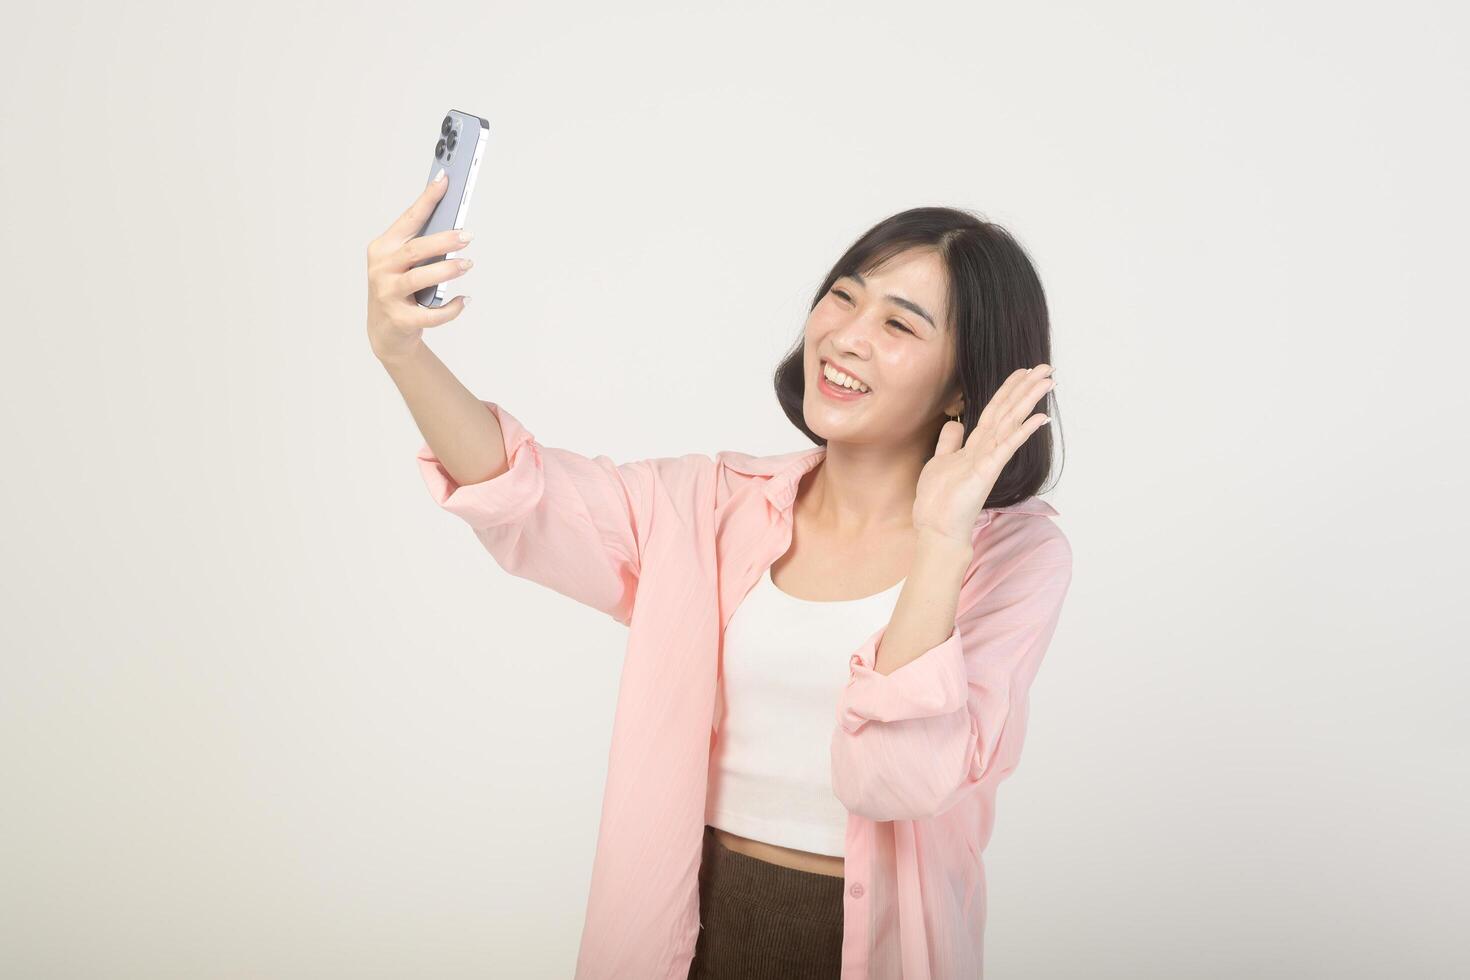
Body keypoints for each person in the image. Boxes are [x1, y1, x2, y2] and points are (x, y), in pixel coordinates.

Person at [366, 174, 1071, 980]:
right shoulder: (708, 506)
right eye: (843, 297)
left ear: (960, 384)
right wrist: (403, 351)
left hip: (869, 951)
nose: (846, 337)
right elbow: (522, 492)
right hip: (685, 935)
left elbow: (895, 782)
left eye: (898, 325)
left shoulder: (1012, 559)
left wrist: (942, 539)